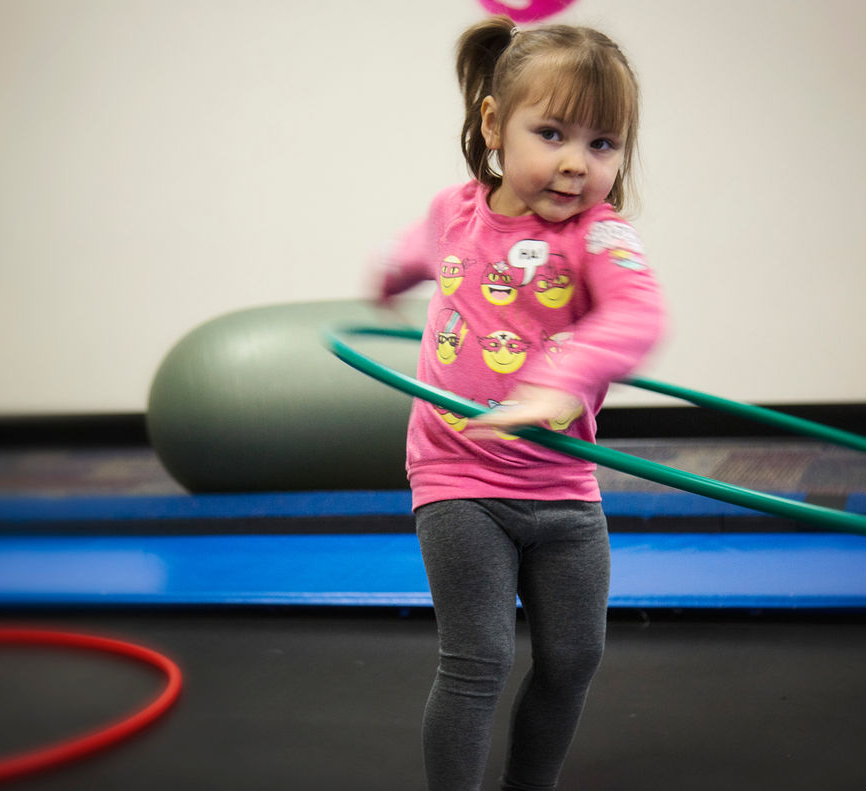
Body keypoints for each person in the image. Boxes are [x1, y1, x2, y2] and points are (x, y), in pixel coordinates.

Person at [373, 14, 665, 791]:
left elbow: (638, 317)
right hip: (457, 473)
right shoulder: (455, 212)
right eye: (554, 134)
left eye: (602, 144)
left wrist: (559, 381)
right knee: (480, 659)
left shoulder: (602, 239)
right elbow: (414, 250)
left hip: (565, 488)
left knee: (575, 658)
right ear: (495, 125)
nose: (576, 164)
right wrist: (389, 280)